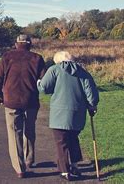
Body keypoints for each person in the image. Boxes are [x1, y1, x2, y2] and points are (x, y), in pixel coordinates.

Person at [37, 51, 99, 181]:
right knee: (73, 138)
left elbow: (44, 88)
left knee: (61, 142)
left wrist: (38, 82)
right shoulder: (83, 72)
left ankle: (65, 171)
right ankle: (75, 165)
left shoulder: (54, 70)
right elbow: (91, 94)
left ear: (58, 60)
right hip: (77, 113)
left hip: (59, 114)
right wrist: (92, 106)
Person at [0, 34, 46, 178]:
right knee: (29, 130)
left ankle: (19, 168)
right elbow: (44, 80)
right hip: (31, 101)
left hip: (11, 100)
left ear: (17, 44)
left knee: (14, 133)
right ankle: (29, 159)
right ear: (29, 44)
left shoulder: (7, 57)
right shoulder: (37, 58)